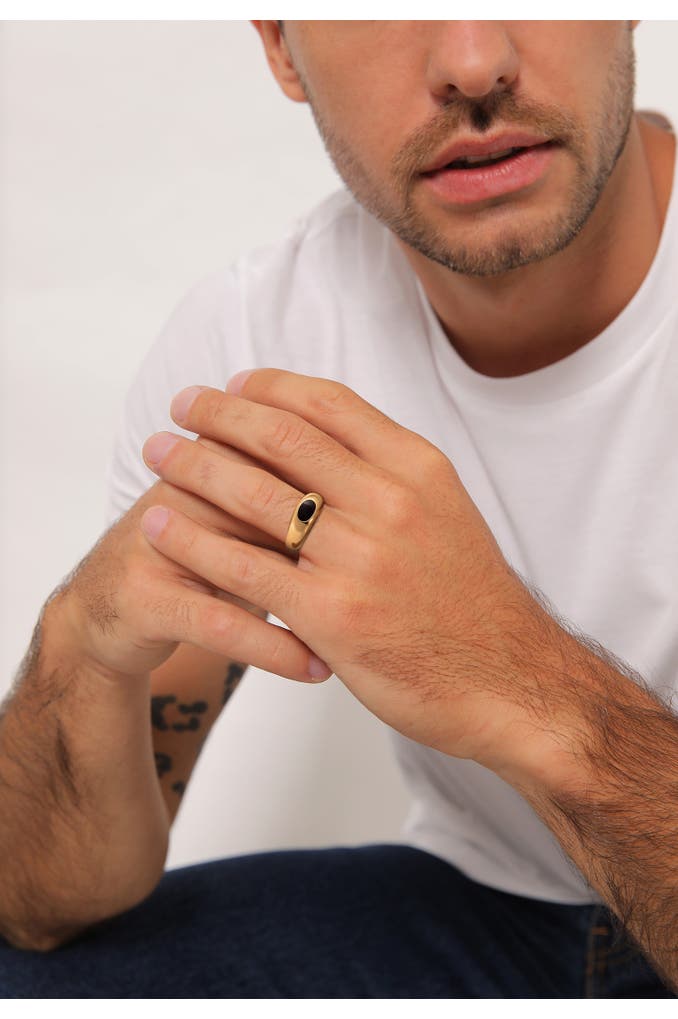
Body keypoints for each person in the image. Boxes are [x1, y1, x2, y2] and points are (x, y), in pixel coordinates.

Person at [0, 20, 676, 999]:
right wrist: (76, 644)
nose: (472, 64)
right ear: (282, 48)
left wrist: (527, 684)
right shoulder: (256, 346)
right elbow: (37, 907)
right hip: (483, 918)